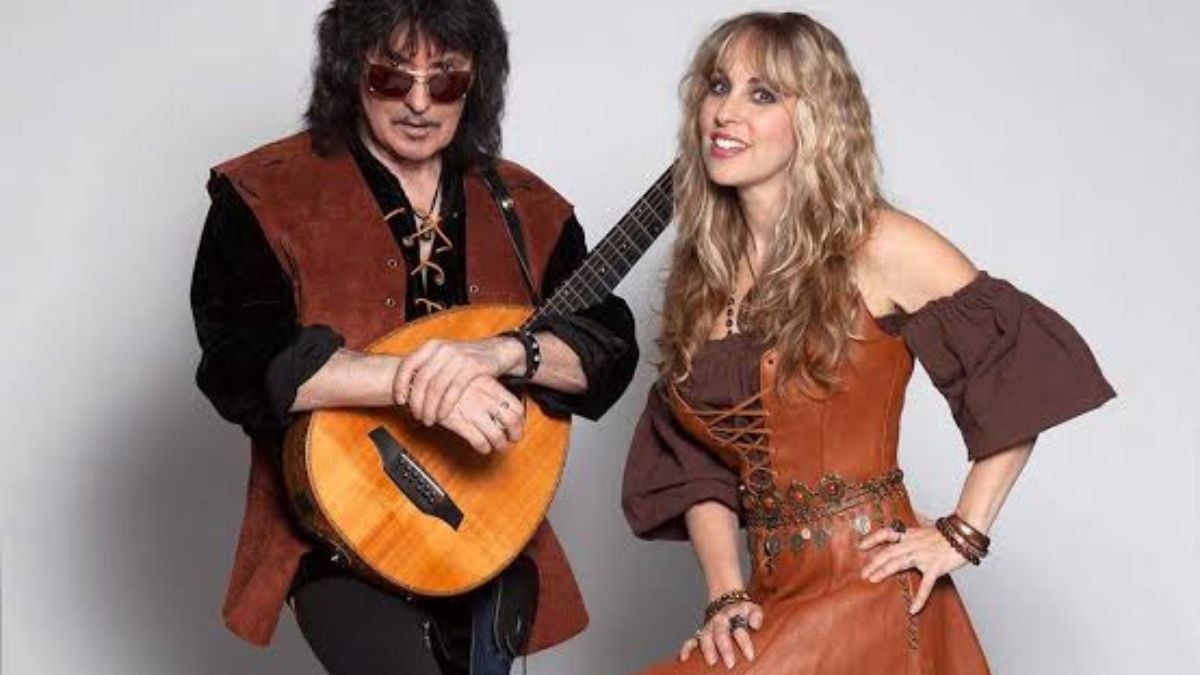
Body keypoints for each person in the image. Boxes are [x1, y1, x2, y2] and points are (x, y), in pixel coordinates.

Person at [621, 12, 1114, 674]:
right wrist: (725, 595)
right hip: (772, 598)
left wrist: (961, 534)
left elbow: (1021, 368)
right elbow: (695, 462)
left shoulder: (876, 244)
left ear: (815, 118)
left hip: (869, 592)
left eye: (762, 94)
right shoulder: (701, 274)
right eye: (718, 86)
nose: (725, 112)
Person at [189, 1, 638, 673]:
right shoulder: (264, 194)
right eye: (392, 77)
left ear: (477, 81)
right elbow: (241, 363)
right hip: (338, 536)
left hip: (486, 532)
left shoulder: (532, 207)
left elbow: (607, 351)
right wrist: (417, 381)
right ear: (351, 73)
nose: (420, 103)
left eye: (447, 79)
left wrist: (504, 352)